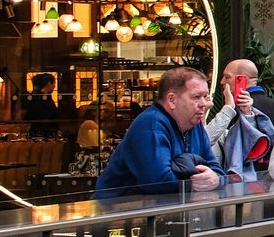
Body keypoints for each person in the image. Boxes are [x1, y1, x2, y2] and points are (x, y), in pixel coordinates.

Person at [95, 67, 222, 198]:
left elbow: (217, 169)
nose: (204, 104)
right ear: (172, 100)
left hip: (165, 210)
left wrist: (215, 179)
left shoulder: (195, 125)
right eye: (196, 97)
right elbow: (159, 182)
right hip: (119, 212)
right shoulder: (151, 125)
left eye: (205, 96)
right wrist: (195, 180)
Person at [203, 58, 274, 179]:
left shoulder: (243, 109)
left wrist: (244, 113)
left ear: (241, 79)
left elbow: (242, 143)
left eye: (227, 77)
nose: (222, 82)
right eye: (198, 96)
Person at [21, 72, 63, 138]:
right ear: (49, 83)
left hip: (41, 132)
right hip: (43, 133)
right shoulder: (41, 99)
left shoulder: (39, 97)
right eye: (54, 83)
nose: (54, 86)